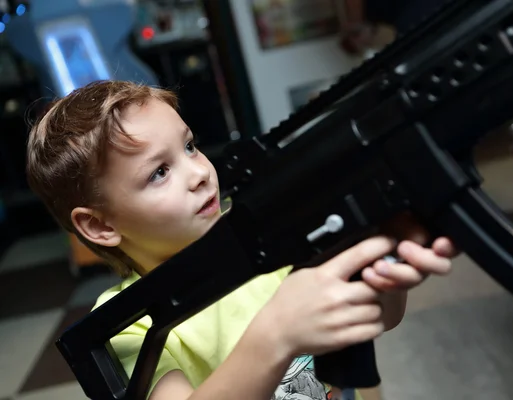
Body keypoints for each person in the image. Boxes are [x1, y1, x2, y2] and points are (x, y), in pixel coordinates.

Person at [25, 80, 458, 400]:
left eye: (190, 146)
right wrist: (275, 334)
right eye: (159, 172)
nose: (198, 174)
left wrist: (386, 271)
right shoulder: (128, 325)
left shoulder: (265, 235)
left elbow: (378, 318)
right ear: (101, 227)